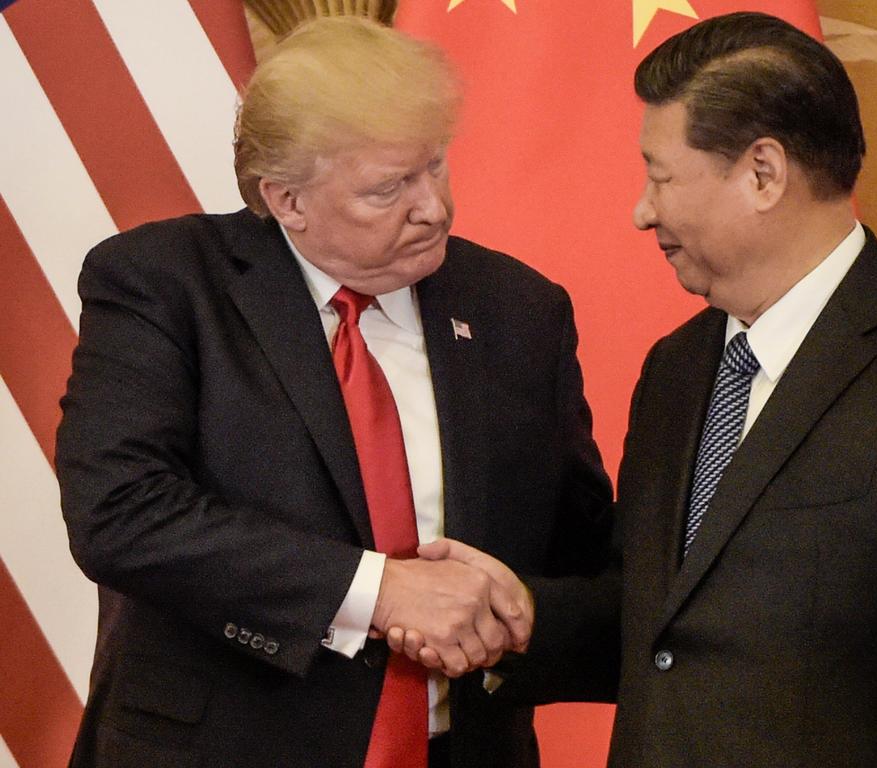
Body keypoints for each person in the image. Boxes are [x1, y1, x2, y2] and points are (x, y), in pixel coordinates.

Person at [55, 16, 613, 768]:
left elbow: (581, 556)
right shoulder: (166, 283)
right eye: (388, 188)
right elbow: (121, 512)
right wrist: (379, 592)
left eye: (436, 166)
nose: (433, 208)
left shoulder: (518, 308)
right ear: (286, 201)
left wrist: (518, 615)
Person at [608, 11, 877, 768]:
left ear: (763, 174)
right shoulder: (675, 368)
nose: (643, 211)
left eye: (661, 177)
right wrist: (508, 612)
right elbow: (658, 621)